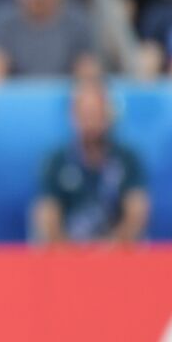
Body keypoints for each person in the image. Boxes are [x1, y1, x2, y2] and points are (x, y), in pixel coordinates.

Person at [34, 79, 149, 244]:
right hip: (69, 253)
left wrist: (113, 248)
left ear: (108, 115)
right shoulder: (57, 161)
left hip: (118, 253)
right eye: (85, 114)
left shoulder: (127, 158)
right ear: (73, 116)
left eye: (96, 113)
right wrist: (67, 252)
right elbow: (47, 213)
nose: (90, 121)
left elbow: (137, 211)